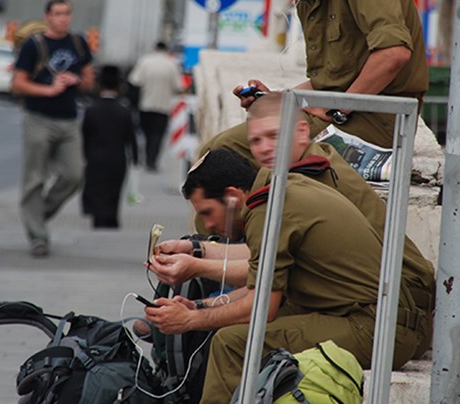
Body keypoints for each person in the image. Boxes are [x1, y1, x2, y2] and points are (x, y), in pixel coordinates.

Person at [143, 149, 432, 402]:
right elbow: (262, 281)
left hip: (377, 329)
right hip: (382, 320)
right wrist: (198, 306)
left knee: (230, 343)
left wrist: (191, 320)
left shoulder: (267, 210)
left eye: (208, 212)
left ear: (232, 197)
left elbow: (260, 308)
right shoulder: (282, 188)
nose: (207, 224)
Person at [151, 94, 435, 317]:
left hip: (399, 295)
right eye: (255, 142)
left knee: (231, 338)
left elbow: (263, 267)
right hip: (378, 293)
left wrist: (196, 267)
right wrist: (196, 251)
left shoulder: (307, 179)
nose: (263, 149)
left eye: (273, 137)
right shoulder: (297, 168)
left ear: (300, 132)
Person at [201, 0, 429, 165]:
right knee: (217, 151)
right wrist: (277, 99)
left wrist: (337, 109)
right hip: (343, 110)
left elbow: (394, 53)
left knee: (235, 156)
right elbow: (333, 78)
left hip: (377, 119)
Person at [11, 0, 95, 257]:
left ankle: (37, 215)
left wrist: (76, 79)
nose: (63, 18)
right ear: (47, 16)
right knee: (35, 178)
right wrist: (48, 89)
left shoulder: (79, 43)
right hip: (38, 117)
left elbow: (89, 82)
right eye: (58, 13)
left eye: (67, 13)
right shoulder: (34, 45)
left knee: (75, 174)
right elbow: (18, 83)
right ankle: (38, 236)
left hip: (68, 119)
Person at [81, 66, 138, 229]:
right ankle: (111, 217)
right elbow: (131, 137)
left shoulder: (91, 110)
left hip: (95, 157)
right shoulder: (124, 111)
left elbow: (84, 134)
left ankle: (98, 218)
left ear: (99, 86)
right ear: (119, 88)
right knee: (114, 189)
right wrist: (135, 159)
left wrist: (85, 155)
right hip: (117, 158)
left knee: (97, 187)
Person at [128, 41, 182, 172]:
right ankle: (152, 160)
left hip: (146, 104)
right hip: (163, 106)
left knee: (146, 133)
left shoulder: (145, 61)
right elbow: (178, 86)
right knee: (157, 134)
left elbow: (135, 80)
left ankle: (144, 156)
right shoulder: (172, 63)